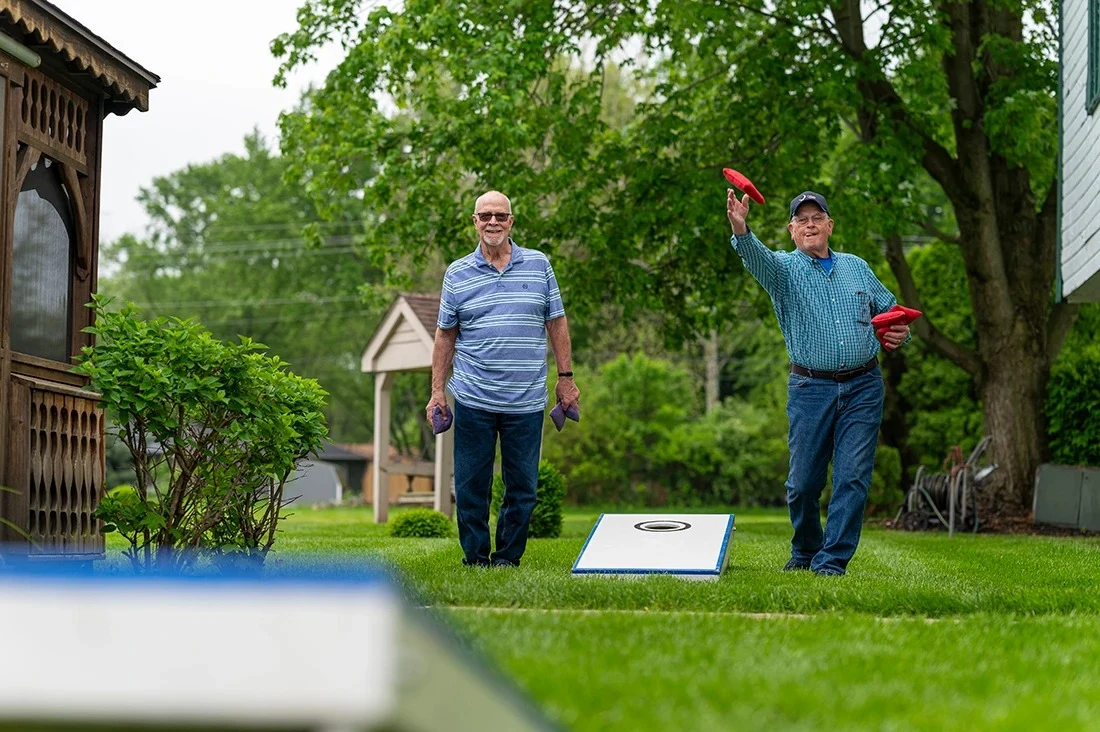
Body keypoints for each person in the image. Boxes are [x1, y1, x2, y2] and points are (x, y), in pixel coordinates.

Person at [726, 189, 910, 576]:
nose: (810, 224)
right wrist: (741, 228)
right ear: (792, 230)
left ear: (829, 225)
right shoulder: (781, 270)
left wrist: (899, 332)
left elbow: (892, 311)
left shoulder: (856, 267)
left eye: (817, 217)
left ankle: (831, 561)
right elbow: (755, 256)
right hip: (811, 389)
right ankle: (807, 549)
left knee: (852, 476)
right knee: (804, 484)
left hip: (863, 386)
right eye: (802, 219)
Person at [426, 191, 580, 568]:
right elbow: (445, 334)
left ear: (511, 221)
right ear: (474, 222)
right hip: (474, 396)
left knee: (523, 489)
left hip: (526, 400)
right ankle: (476, 559)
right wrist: (437, 391)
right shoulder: (457, 274)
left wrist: (565, 378)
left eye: (500, 215)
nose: (493, 222)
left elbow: (556, 323)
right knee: (470, 487)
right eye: (485, 216)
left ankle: (507, 558)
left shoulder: (539, 265)